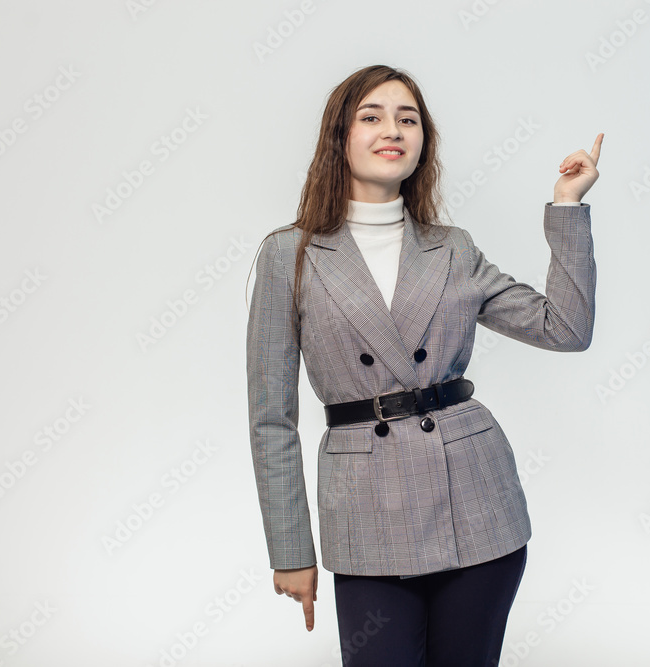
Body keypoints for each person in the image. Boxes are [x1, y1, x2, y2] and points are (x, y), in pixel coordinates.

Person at [246, 64, 601, 666]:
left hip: (476, 501)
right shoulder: (291, 254)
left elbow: (563, 329)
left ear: (422, 144)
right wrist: (291, 548)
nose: (393, 129)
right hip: (365, 515)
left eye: (407, 119)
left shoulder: (452, 248)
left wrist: (566, 206)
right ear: (340, 136)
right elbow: (272, 419)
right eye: (372, 116)